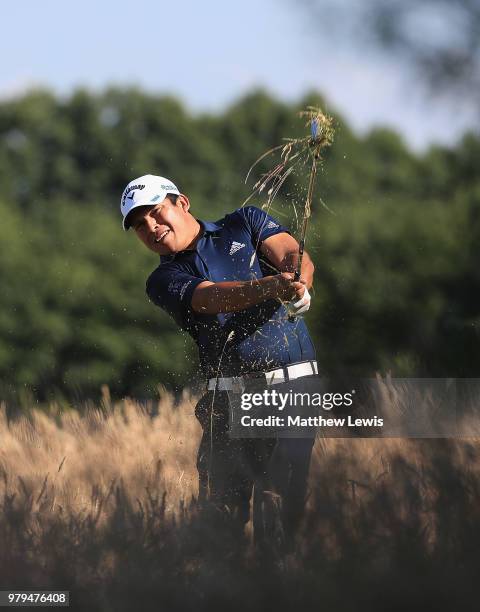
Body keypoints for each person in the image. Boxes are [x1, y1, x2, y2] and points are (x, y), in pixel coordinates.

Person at [120, 174, 318, 545]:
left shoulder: (244, 222)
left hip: (293, 389)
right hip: (226, 404)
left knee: (277, 517)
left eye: (156, 213)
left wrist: (298, 280)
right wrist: (273, 286)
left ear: (182, 202)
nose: (151, 228)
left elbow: (293, 254)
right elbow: (212, 298)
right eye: (139, 225)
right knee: (218, 525)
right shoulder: (163, 279)